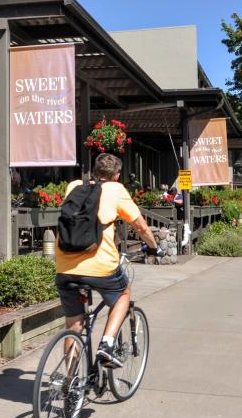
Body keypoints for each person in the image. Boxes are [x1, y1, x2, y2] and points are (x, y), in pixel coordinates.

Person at [55, 153, 164, 368]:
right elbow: (141, 226)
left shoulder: (74, 186)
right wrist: (153, 248)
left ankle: (70, 385)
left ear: (95, 171)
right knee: (123, 293)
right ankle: (106, 344)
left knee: (73, 324)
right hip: (100, 265)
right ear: (116, 175)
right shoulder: (116, 190)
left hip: (65, 265)